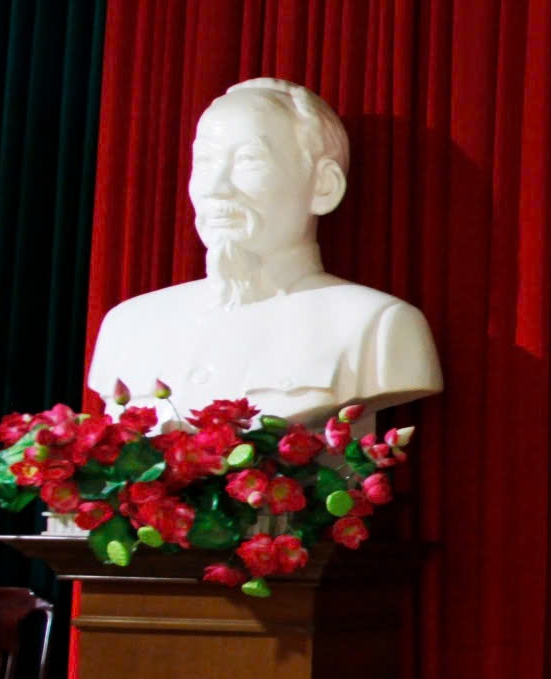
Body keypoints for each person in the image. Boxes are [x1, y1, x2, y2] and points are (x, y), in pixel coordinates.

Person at [88, 77, 442, 430]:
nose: (215, 188)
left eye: (249, 161)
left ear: (324, 186)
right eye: (205, 161)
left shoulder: (377, 325)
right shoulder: (128, 326)